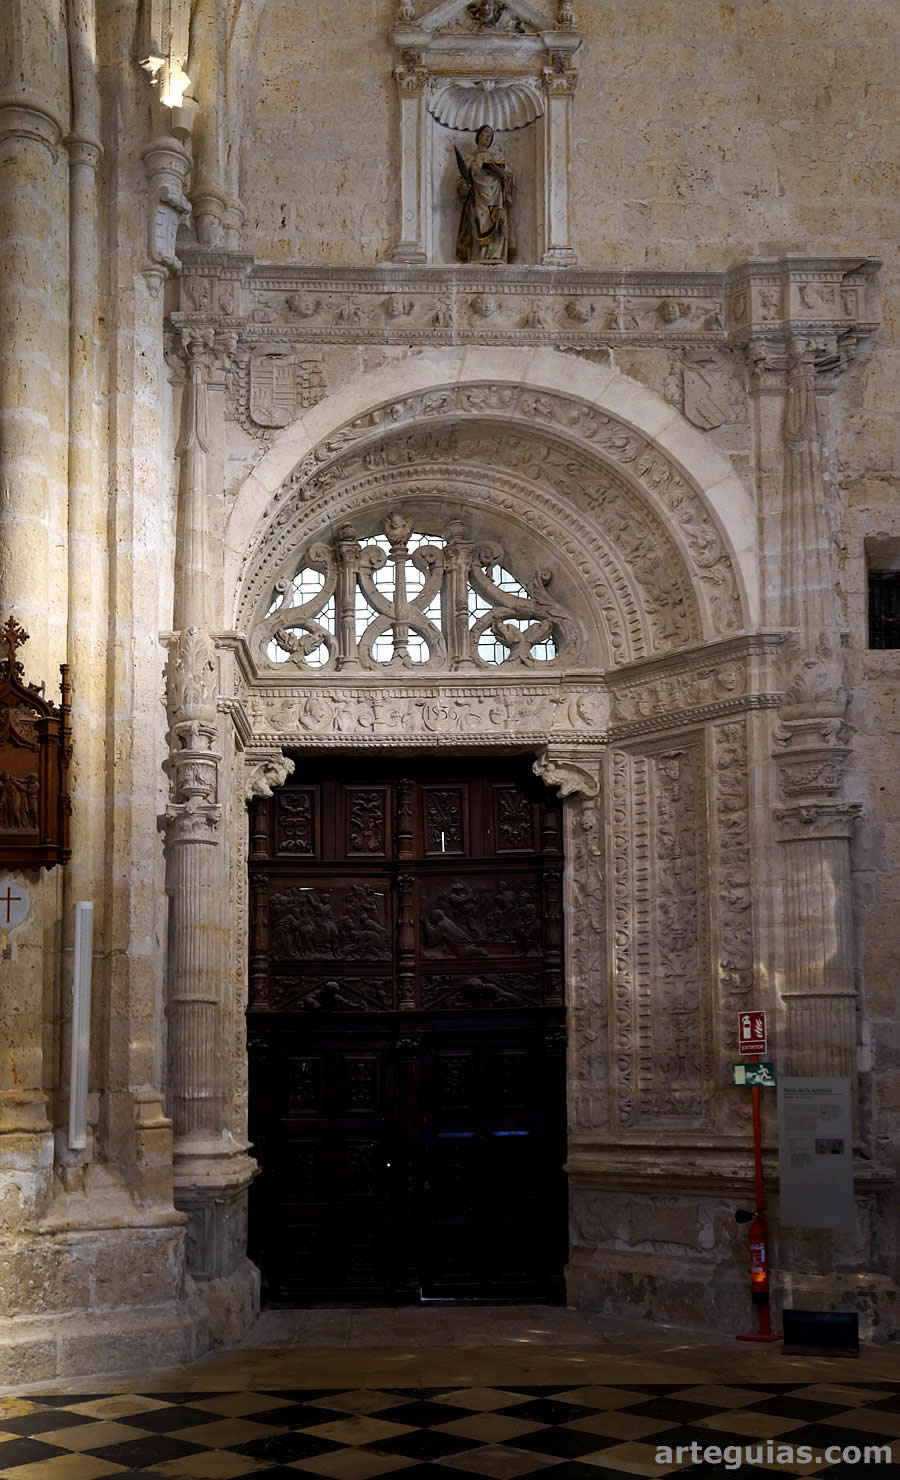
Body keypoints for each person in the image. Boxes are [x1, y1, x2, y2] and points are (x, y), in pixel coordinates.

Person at [455, 124, 514, 264]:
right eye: (485, 132)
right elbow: (462, 180)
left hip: (495, 199)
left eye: (491, 135)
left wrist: (500, 172)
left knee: (497, 221)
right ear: (478, 135)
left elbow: (509, 176)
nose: (488, 136)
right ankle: (478, 256)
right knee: (477, 224)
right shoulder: (470, 158)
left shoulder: (496, 158)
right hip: (477, 200)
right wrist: (464, 187)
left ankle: (494, 255)